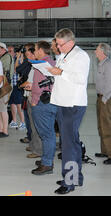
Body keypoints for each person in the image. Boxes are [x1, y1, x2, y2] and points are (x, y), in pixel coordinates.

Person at [48, 28, 90, 195]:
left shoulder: (80, 56)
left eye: (60, 44)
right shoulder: (64, 55)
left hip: (72, 104)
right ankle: (76, 177)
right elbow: (61, 76)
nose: (58, 47)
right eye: (57, 44)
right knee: (72, 141)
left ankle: (69, 181)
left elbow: (80, 78)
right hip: (62, 102)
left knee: (68, 145)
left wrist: (61, 72)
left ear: (70, 42)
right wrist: (53, 72)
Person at [29, 41, 57, 175]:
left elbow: (39, 86)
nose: (34, 52)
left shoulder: (41, 65)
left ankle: (47, 164)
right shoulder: (52, 62)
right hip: (51, 101)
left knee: (46, 134)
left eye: (35, 49)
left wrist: (34, 101)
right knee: (48, 133)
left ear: (40, 50)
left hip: (42, 103)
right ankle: (47, 159)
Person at [94, 43, 111, 165]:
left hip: (106, 99)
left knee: (107, 126)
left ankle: (110, 153)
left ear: (103, 52)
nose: (95, 52)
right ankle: (105, 151)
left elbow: (110, 83)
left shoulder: (108, 65)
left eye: (97, 50)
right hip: (100, 98)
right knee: (101, 126)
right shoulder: (101, 64)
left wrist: (105, 98)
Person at [0, 42, 14, 137]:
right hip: (2, 85)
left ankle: (5, 130)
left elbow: (3, 70)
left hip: (5, 86)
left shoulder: (7, 57)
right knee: (0, 109)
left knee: (3, 109)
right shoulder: (2, 58)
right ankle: (1, 128)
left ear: (3, 49)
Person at [9, 48, 26, 130]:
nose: (9, 53)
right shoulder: (11, 60)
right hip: (12, 85)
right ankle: (14, 121)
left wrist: (20, 57)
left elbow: (17, 69)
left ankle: (22, 122)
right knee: (12, 103)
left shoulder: (20, 60)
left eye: (10, 51)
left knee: (19, 105)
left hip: (17, 85)